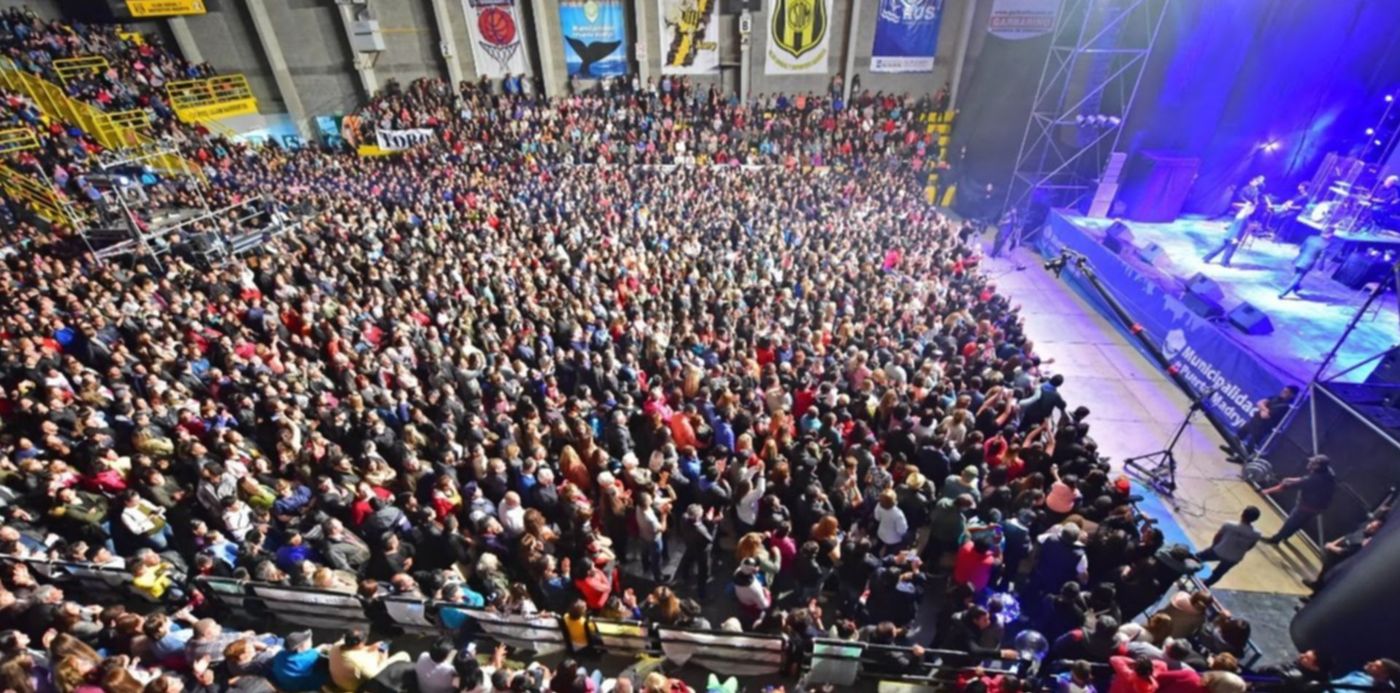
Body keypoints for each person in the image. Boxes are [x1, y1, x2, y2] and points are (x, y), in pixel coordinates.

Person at [1262, 455, 1336, 545]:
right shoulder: (1327, 472)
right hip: (1320, 507)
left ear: (1317, 466)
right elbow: (1303, 479)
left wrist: (1266, 491)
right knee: (1299, 523)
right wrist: (1289, 479)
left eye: (1312, 463)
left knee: (1292, 522)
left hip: (1309, 506)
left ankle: (1275, 540)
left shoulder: (1314, 480)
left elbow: (1285, 487)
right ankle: (1286, 536)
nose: (1309, 463)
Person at [1224, 385, 1297, 460]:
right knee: (1240, 434)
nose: (1283, 392)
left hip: (1263, 426)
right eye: (1283, 390)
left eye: (1286, 392)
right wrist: (1265, 408)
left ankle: (1241, 458)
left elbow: (1265, 416)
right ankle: (1232, 449)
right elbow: (1260, 403)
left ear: (1291, 395)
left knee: (1251, 444)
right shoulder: (1275, 397)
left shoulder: (1285, 406)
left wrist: (1262, 408)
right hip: (1255, 420)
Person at [1194, 506, 1262, 586]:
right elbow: (1250, 547)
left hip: (1218, 551)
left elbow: (1217, 537)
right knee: (1219, 573)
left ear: (1242, 514)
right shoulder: (1257, 534)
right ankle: (1206, 585)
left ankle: (1184, 569)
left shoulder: (1229, 525)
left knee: (1197, 557)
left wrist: (1213, 547)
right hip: (1234, 558)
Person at [1279, 228, 1334, 299]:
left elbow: (1301, 249)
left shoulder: (1310, 238)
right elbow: (1322, 257)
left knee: (1297, 275)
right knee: (1297, 278)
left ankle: (1296, 288)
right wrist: (1320, 267)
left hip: (1299, 259)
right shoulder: (1326, 244)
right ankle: (1283, 293)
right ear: (1329, 234)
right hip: (1308, 263)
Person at [1202, 201, 1255, 268]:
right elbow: (1239, 228)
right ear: (1250, 208)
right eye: (1253, 209)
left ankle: (1206, 258)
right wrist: (1236, 238)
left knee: (1219, 248)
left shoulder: (1240, 214)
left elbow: (1234, 224)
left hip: (1229, 234)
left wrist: (1228, 228)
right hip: (1234, 237)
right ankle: (1224, 263)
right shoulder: (1245, 217)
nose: (1253, 210)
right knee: (1230, 251)